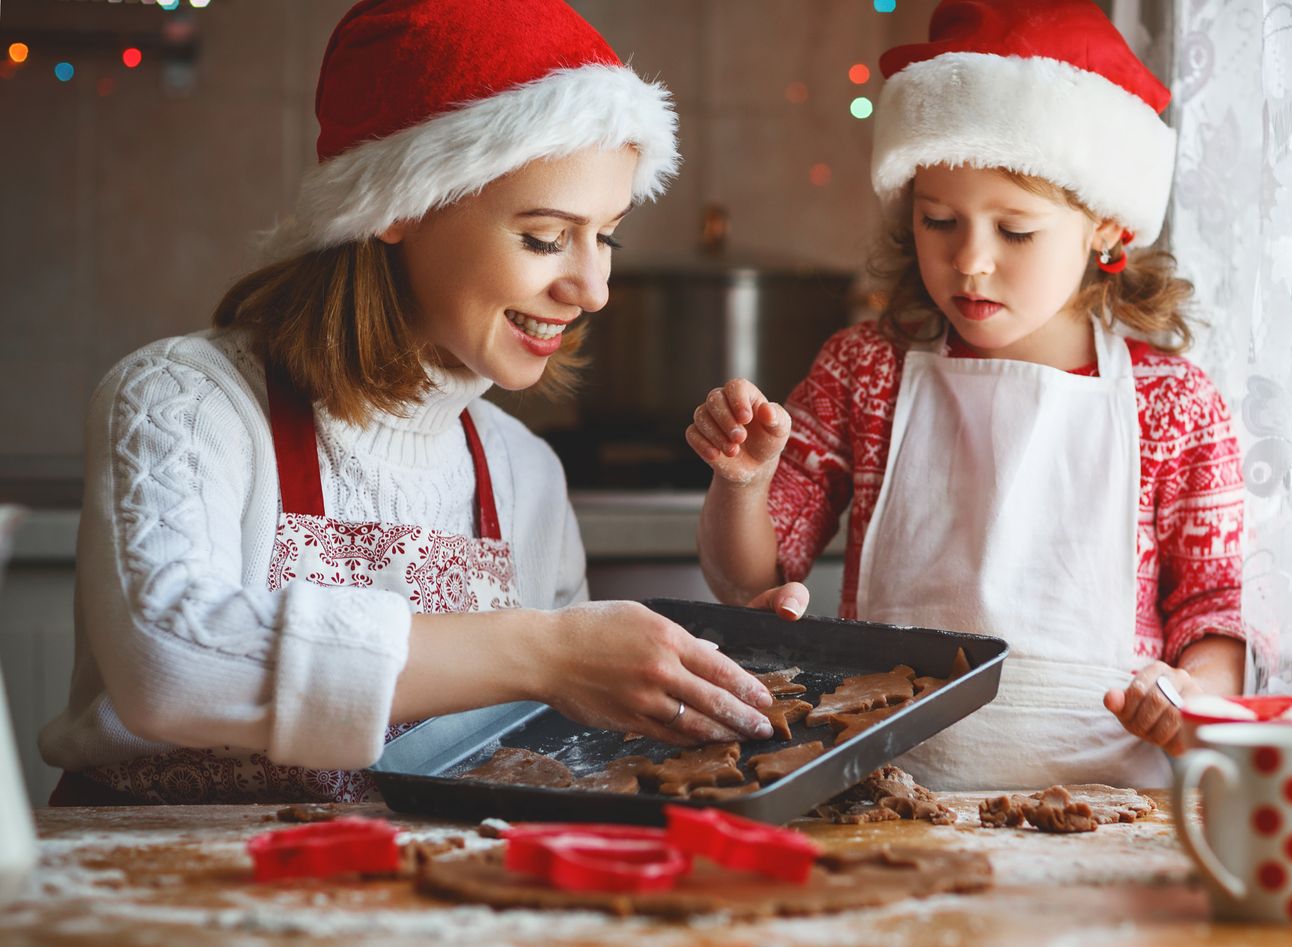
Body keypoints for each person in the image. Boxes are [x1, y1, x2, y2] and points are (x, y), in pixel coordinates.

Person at [40, 0, 804, 806]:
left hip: (405, 916)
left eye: (606, 236)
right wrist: (540, 651)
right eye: (546, 237)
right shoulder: (187, 401)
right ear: (397, 205)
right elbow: (171, 665)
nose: (594, 288)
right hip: (159, 905)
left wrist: (713, 670)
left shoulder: (521, 472)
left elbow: (555, 742)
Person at [689, 0, 1244, 789]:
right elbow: (749, 577)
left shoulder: (1174, 404)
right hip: (890, 795)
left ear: (1109, 229)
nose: (970, 261)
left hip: (1109, 807)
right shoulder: (866, 371)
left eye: (1014, 232)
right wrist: (741, 483)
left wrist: (1196, 698)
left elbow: (1213, 611)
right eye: (939, 220)